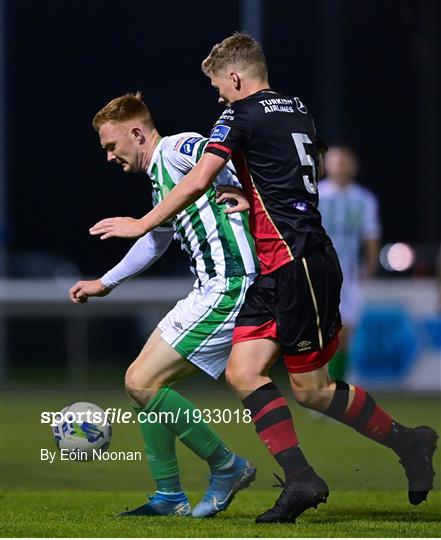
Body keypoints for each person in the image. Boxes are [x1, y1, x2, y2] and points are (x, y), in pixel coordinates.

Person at [89, 34, 438, 524]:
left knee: (312, 391)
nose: (217, 98)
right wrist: (254, 200)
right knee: (242, 372)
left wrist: (140, 223)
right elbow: (290, 170)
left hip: (299, 262)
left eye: (218, 86)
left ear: (235, 78)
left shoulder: (238, 115)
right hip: (274, 269)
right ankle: (301, 479)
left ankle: (408, 441)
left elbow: (198, 179)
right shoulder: (296, 109)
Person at [69, 92, 259, 518]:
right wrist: (106, 282)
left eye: (111, 146)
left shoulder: (179, 148)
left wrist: (250, 191)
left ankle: (226, 466)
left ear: (137, 133)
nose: (109, 157)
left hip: (232, 283)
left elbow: (235, 159)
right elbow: (156, 237)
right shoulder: (160, 175)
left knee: (143, 382)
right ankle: (170, 496)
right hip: (208, 286)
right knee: (142, 384)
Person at [319, 146, 381, 380]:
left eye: (345, 161)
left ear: (354, 166)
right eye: (335, 161)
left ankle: (336, 386)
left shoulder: (363, 199)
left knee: (345, 334)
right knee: (319, 334)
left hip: (349, 275)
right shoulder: (317, 193)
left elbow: (371, 234)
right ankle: (316, 386)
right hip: (320, 272)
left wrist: (371, 265)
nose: (340, 166)